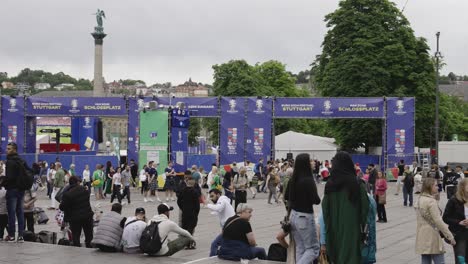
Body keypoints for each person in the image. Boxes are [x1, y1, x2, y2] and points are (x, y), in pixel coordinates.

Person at [322, 151, 369, 264]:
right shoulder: (358, 184)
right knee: (351, 257)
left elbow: (325, 210)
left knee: (336, 257)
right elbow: (365, 209)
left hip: (334, 228)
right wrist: (363, 226)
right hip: (353, 228)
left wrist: (328, 227)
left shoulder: (330, 184)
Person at [284, 153, 321, 264]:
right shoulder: (308, 180)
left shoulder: (293, 179)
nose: (313, 162)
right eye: (310, 160)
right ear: (305, 164)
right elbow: (316, 200)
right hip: (304, 217)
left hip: (293, 216)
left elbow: (286, 197)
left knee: (301, 248)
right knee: (313, 249)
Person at [415, 178, 456, 264]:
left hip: (422, 234)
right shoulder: (431, 201)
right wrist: (450, 236)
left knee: (425, 259)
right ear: (430, 186)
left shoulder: (419, 199)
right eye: (436, 185)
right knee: (439, 260)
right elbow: (438, 221)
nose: (438, 187)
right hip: (432, 235)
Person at [59, 176, 94, 248]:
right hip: (87, 215)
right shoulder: (85, 190)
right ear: (77, 182)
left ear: (69, 183)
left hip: (75, 218)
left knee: (76, 235)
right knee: (88, 234)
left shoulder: (67, 194)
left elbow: (62, 207)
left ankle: (77, 248)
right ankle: (89, 246)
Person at [4, 142, 28, 242]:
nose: (7, 150)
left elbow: (9, 177)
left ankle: (11, 235)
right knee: (20, 213)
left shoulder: (9, 161)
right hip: (21, 190)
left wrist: (3, 182)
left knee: (11, 213)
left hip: (12, 189)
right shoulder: (22, 160)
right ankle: (21, 236)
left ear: (14, 149)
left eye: (9, 149)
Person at [443, 178, 468, 264]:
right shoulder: (454, 200)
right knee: (460, 258)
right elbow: (445, 217)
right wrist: (459, 222)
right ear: (462, 187)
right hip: (459, 233)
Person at [207, 188, 236, 256]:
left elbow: (218, 208)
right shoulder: (223, 201)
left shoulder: (222, 200)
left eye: (212, 196)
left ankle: (211, 260)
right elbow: (218, 211)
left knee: (214, 244)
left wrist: (207, 204)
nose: (211, 198)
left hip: (230, 228)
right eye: (210, 196)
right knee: (227, 246)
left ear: (218, 194)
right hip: (229, 227)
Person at [177, 173, 200, 249]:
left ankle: (185, 243)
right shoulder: (195, 192)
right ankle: (189, 243)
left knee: (184, 228)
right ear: (193, 183)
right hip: (192, 213)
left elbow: (178, 201)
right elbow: (197, 205)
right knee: (190, 228)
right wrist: (196, 213)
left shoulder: (183, 191)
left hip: (185, 213)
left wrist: (183, 208)